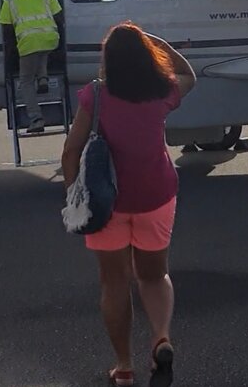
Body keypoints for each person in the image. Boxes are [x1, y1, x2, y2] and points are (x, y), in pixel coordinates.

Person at [60, 22, 196, 387]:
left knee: (114, 283)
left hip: (107, 202)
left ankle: (123, 367)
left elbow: (72, 149)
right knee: (154, 274)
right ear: (145, 55)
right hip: (156, 195)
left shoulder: (96, 96)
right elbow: (188, 74)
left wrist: (74, 193)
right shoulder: (163, 91)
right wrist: (158, 40)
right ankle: (162, 338)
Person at [0, 0, 64, 133]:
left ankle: (36, 118)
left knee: (26, 81)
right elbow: (60, 17)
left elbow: (5, 27)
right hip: (50, 38)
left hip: (28, 42)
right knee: (43, 52)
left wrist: (11, 48)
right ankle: (42, 78)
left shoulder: (11, 0)